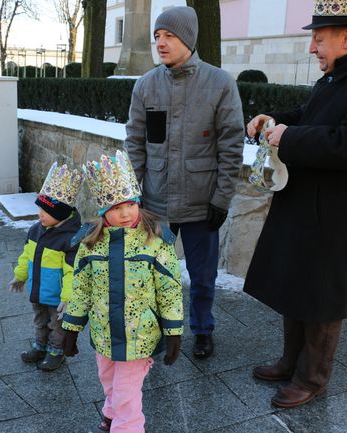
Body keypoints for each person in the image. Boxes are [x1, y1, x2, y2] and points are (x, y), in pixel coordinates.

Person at [243, 0, 347, 409]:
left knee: (321, 296)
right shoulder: (338, 75)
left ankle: (312, 378)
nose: (312, 48)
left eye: (318, 39)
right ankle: (290, 362)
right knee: (296, 282)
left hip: (337, 213)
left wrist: (288, 138)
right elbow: (308, 115)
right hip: (304, 202)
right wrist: (272, 119)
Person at [124, 6, 244, 359]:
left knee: (203, 276)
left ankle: (203, 329)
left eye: (169, 36)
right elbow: (135, 143)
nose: (160, 43)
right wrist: (132, 198)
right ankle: (156, 329)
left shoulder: (220, 84)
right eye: (157, 36)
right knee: (151, 273)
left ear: (188, 39)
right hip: (156, 203)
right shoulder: (146, 85)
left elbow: (231, 145)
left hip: (200, 202)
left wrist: (221, 199)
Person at [62, 150, 184, 433]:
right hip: (104, 333)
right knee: (109, 380)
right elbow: (81, 288)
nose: (125, 213)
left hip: (140, 336)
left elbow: (169, 289)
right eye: (116, 207)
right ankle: (110, 412)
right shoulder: (90, 244)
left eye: (130, 204)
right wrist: (71, 327)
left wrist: (174, 330)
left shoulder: (156, 241)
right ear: (104, 212)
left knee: (128, 396)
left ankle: (125, 425)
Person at [9, 162, 83, 371]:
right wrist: (20, 276)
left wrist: (68, 297)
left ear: (59, 214)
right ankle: (40, 346)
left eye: (44, 211)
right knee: (39, 321)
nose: (39, 214)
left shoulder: (70, 240)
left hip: (57, 297)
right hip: (37, 290)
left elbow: (72, 271)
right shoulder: (35, 230)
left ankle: (56, 352)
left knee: (57, 326)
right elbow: (26, 256)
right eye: (39, 210)